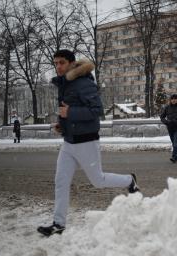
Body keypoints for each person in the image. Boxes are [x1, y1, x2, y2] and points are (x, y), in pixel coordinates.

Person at [37, 50, 139, 237]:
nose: (58, 66)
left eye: (61, 62)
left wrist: (71, 114)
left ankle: (130, 180)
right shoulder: (65, 84)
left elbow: (97, 110)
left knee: (98, 181)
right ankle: (59, 224)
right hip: (69, 143)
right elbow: (69, 111)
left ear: (71, 63)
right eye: (55, 63)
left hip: (86, 142)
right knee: (61, 181)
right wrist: (63, 125)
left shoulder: (83, 83)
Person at [160, 94, 177, 163]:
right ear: (170, 100)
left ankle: (174, 157)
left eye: (175, 99)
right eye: (172, 99)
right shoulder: (167, 107)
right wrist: (166, 122)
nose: (174, 100)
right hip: (170, 128)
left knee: (175, 143)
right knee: (174, 143)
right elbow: (162, 117)